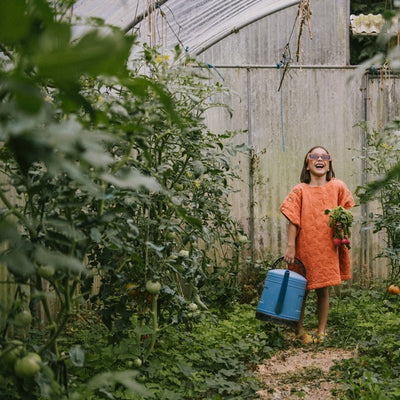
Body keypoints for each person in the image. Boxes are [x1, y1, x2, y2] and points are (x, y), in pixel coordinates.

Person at [280, 146, 354, 344]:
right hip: (304, 247)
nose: (319, 159)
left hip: (327, 248)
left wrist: (341, 223)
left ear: (329, 164)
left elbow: (346, 211)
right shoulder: (300, 190)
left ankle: (321, 331)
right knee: (300, 290)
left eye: (324, 156)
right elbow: (293, 219)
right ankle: (299, 330)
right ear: (307, 163)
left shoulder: (337, 187)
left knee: (324, 290)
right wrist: (290, 246)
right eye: (314, 156)